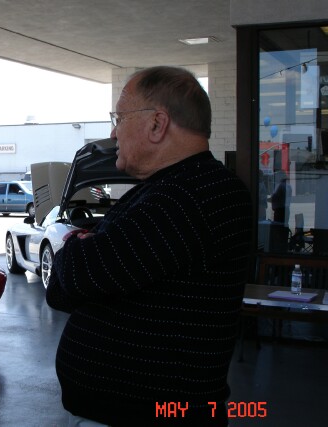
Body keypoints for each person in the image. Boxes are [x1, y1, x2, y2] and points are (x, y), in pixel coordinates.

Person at [46, 66, 253, 426]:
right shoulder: (165, 191)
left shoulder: (192, 194)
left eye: (120, 118)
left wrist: (75, 248)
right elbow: (62, 292)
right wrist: (83, 254)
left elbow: (82, 274)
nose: (113, 132)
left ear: (157, 124)